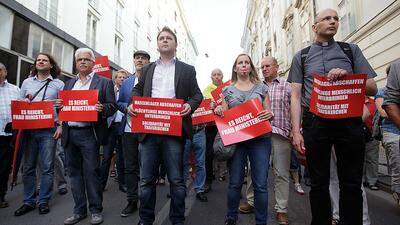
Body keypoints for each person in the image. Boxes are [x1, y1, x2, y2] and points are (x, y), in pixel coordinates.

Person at [288, 8, 377, 225]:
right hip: (316, 124)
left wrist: (349, 75)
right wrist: (296, 131)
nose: (333, 22)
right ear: (314, 26)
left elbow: (373, 88)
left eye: (336, 18)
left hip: (349, 122)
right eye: (327, 18)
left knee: (352, 182)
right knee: (318, 183)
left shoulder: (351, 50)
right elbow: (296, 96)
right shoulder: (302, 56)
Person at [128, 27, 203, 225]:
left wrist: (189, 105)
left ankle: (177, 220)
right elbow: (136, 89)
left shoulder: (187, 70)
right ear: (158, 44)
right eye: (161, 38)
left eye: (169, 38)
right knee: (146, 181)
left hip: (174, 132)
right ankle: (145, 220)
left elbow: (197, 95)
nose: (165, 40)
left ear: (176, 44)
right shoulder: (147, 69)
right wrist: (133, 103)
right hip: (149, 131)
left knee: (177, 181)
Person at [214, 53, 273, 225]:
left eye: (247, 62)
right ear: (235, 68)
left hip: (260, 140)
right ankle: (231, 217)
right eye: (240, 63)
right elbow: (223, 115)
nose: (244, 65)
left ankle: (261, 221)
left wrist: (270, 113)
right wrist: (219, 111)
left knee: (260, 184)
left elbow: (268, 111)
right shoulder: (227, 90)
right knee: (235, 182)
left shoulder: (261, 87)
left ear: (251, 67)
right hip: (237, 143)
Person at [62, 48, 116, 225]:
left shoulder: (105, 82)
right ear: (76, 63)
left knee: (91, 173)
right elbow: (64, 107)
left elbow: (112, 106)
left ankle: (95, 210)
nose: (83, 62)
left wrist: (102, 109)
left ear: (93, 63)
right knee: (74, 174)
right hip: (70, 134)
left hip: (89, 134)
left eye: (87, 59)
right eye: (80, 60)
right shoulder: (69, 83)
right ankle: (79, 211)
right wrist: (58, 105)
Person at [239, 56, 292, 225]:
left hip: (280, 133)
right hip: (258, 136)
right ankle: (252, 202)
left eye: (268, 66)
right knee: (254, 171)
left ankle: (281, 209)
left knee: (281, 173)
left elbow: (295, 108)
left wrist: (296, 131)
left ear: (277, 67)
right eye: (262, 67)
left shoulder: (286, 85)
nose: (264, 69)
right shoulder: (256, 87)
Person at [14, 53, 64, 216]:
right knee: (28, 167)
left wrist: (60, 126)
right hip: (29, 130)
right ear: (35, 64)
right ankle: (28, 201)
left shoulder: (58, 84)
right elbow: (20, 103)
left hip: (49, 130)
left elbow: (63, 108)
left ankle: (43, 201)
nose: (41, 62)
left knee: (47, 167)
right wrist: (25, 102)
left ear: (51, 65)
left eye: (45, 60)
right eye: (38, 60)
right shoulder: (27, 82)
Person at [117, 50, 150, 217]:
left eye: (143, 58)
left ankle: (146, 201)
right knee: (130, 167)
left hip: (147, 129)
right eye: (137, 58)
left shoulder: (153, 80)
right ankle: (131, 200)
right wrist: (126, 107)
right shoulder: (127, 82)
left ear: (148, 62)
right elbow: (120, 102)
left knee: (146, 167)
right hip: (129, 130)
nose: (140, 60)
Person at [100, 70, 127, 192]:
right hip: (110, 127)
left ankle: (122, 183)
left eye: (124, 77)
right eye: (119, 77)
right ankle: (101, 184)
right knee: (106, 156)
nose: (122, 79)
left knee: (122, 157)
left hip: (124, 126)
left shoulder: (129, 92)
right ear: (115, 79)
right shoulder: (109, 90)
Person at [0, 62, 20, 208]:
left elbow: (22, 108)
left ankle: (1, 195)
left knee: (4, 167)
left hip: (8, 136)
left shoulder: (15, 90)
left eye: (0, 70)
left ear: (5, 72)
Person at [382, 60, 400, 206]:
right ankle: (398, 193)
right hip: (392, 132)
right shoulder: (382, 92)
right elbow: (384, 111)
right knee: (398, 167)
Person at [203, 68, 224, 192]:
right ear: (211, 77)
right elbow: (207, 103)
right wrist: (212, 105)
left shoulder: (227, 87)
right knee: (209, 153)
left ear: (222, 76)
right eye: (214, 74)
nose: (217, 76)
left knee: (231, 152)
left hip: (225, 122)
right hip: (211, 125)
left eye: (219, 74)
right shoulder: (206, 90)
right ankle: (208, 180)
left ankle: (234, 184)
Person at [183, 124, 207, 202]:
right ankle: (180, 189)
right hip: (185, 132)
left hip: (199, 131)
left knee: (200, 163)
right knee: (183, 163)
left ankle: (200, 190)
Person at [362, 97, 380, 190]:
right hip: (359, 136)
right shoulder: (355, 101)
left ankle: (372, 181)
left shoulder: (374, 103)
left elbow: (378, 118)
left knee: (372, 159)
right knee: (360, 159)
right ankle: (362, 180)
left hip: (372, 134)